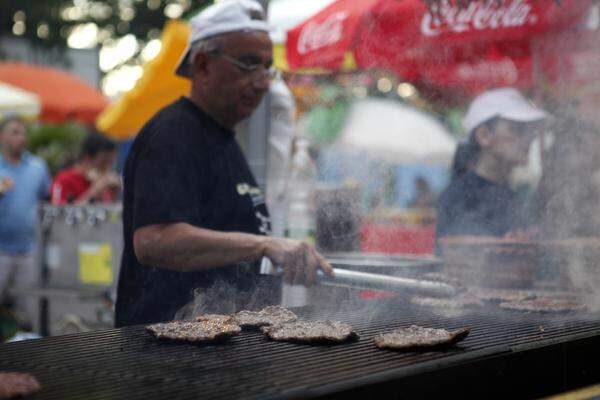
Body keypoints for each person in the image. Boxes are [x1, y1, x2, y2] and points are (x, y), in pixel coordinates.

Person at [115, 0, 333, 327]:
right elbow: (153, 241)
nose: (262, 82)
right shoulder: (173, 133)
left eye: (267, 67)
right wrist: (263, 244)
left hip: (220, 348)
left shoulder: (223, 137)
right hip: (169, 352)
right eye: (248, 64)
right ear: (202, 65)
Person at [436, 87, 549, 244]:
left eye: (531, 131)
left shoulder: (511, 196)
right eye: (517, 129)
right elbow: (453, 257)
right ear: (484, 135)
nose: (528, 138)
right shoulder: (460, 196)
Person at [0, 116, 50, 329]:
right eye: (15, 132)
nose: (21, 137)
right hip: (0, 251)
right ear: (2, 136)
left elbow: (46, 201)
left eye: (23, 133)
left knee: (30, 315)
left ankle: (28, 355)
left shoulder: (37, 167)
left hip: (29, 251)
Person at [50, 132, 120, 205]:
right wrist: (94, 192)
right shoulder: (64, 179)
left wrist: (115, 194)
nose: (107, 167)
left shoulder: (102, 181)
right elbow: (57, 212)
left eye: (111, 162)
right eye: (104, 161)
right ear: (88, 157)